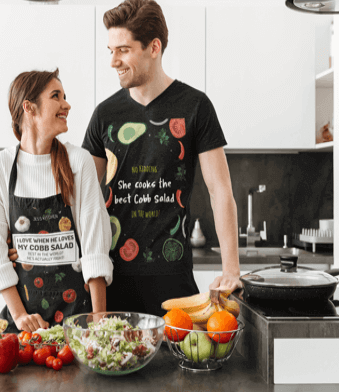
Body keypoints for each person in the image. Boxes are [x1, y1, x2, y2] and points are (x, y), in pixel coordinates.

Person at [81, 0, 242, 317]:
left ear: (153, 47)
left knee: (180, 364)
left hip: (174, 280)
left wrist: (231, 269)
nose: (113, 61)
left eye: (123, 50)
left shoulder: (195, 106)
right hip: (113, 279)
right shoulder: (105, 115)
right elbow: (81, 195)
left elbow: (220, 189)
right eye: (111, 50)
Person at [0, 69, 113, 333]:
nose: (67, 104)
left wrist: (100, 322)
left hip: (77, 319)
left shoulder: (79, 162)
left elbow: (95, 249)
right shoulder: (0, 166)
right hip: (23, 324)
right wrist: (20, 317)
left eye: (65, 96)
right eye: (56, 96)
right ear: (29, 108)